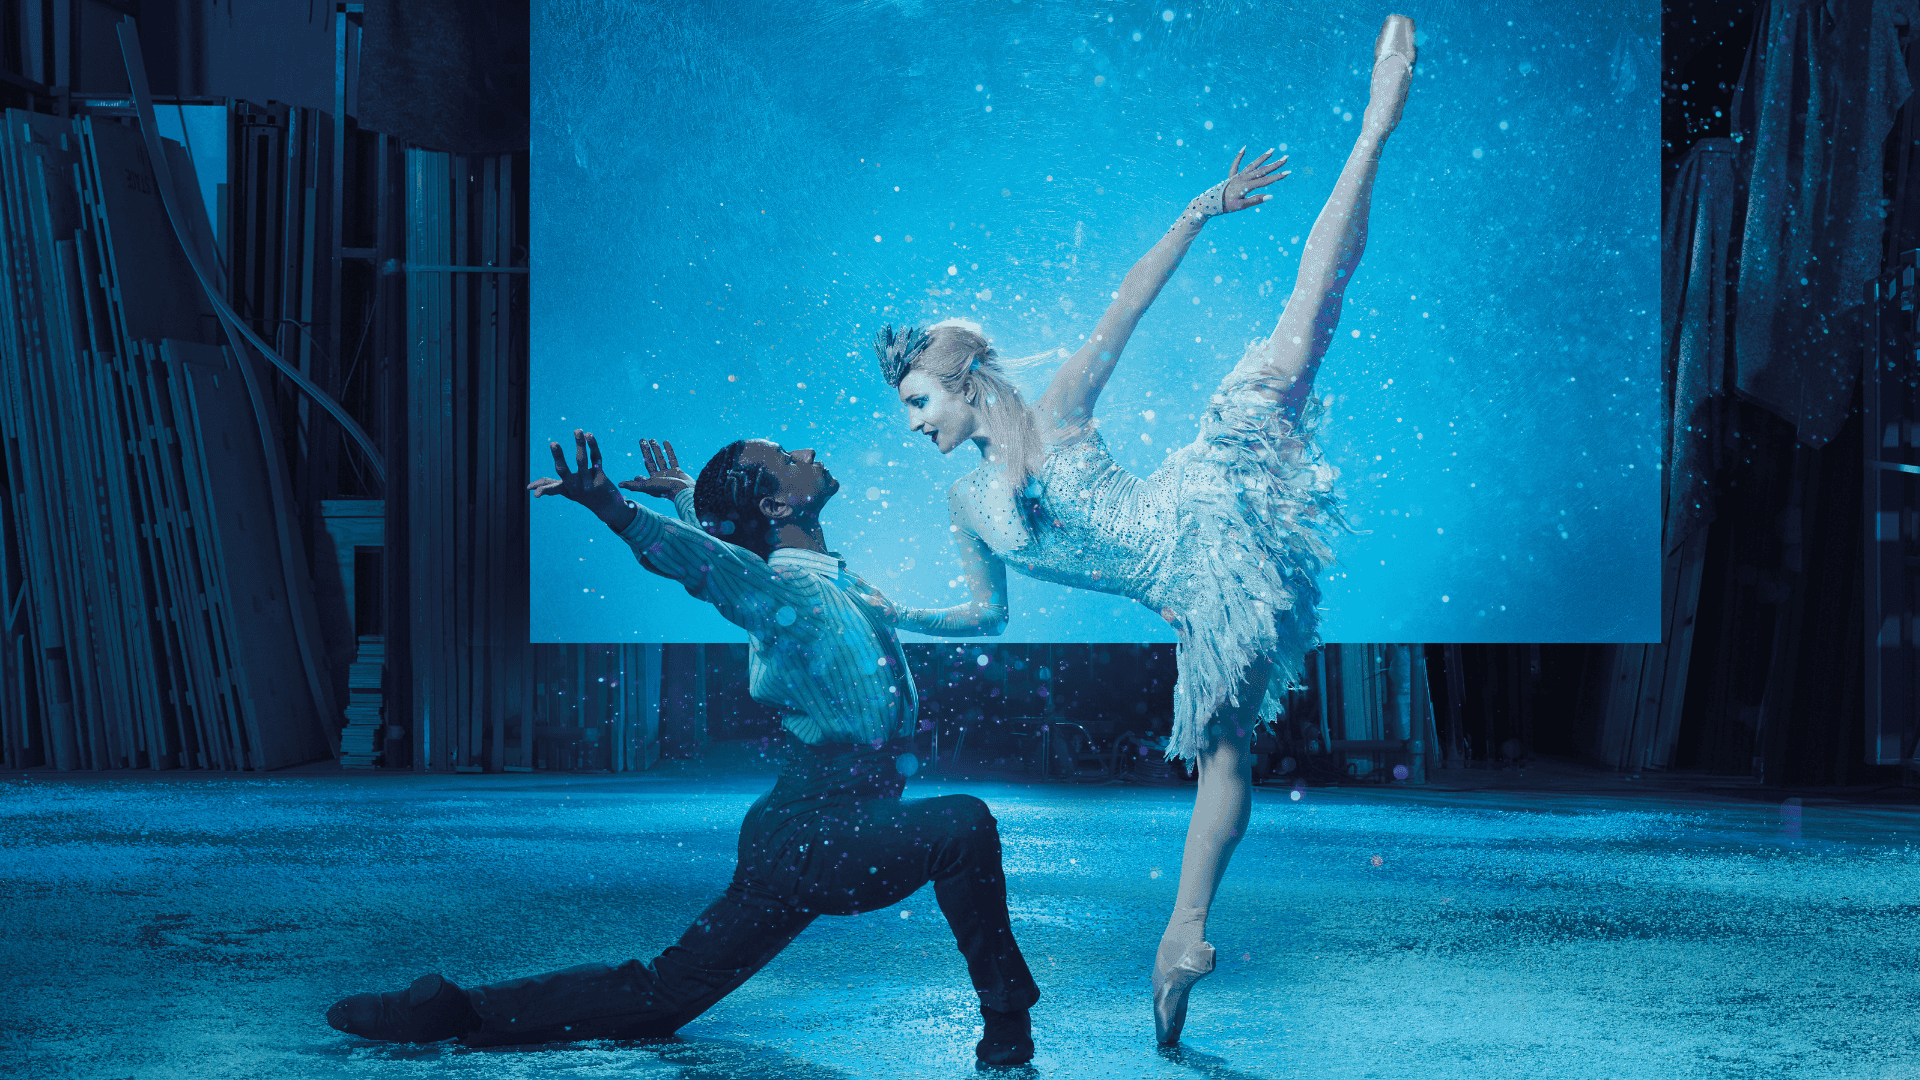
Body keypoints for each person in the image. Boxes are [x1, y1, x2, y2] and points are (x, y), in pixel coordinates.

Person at [871, 14, 1417, 1046]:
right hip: (1199, 592)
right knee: (1221, 755)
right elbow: (985, 616)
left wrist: (1200, 211)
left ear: (961, 381)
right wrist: (895, 615)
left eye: (916, 401)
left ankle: (1377, 123)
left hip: (1206, 499)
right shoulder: (965, 503)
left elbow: (1126, 303)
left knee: (1309, 318)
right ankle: (1182, 942)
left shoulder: (1057, 408)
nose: (914, 423)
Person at [325, 431, 1041, 1065]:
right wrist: (616, 510)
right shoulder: (779, 586)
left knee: (665, 996)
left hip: (812, 828)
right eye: (788, 460)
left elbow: (976, 614)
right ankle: (1007, 1025)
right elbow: (715, 571)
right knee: (963, 825)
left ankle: (455, 1008)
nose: (809, 457)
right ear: (777, 509)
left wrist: (985, 525)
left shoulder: (843, 585)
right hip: (814, 830)